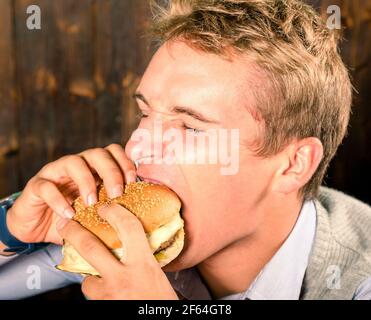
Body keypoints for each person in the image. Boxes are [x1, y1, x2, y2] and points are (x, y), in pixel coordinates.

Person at [1, 0, 371, 300]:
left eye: (191, 127)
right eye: (145, 112)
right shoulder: (124, 233)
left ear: (293, 165)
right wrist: (13, 229)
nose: (138, 146)